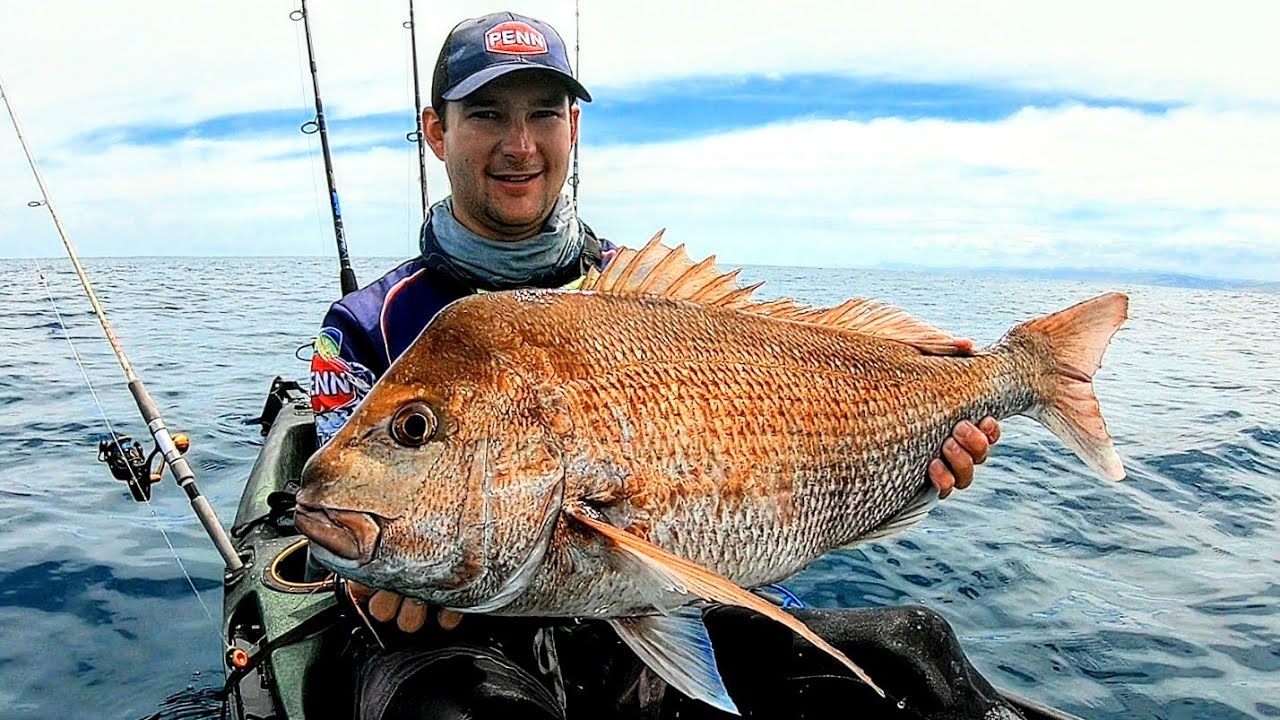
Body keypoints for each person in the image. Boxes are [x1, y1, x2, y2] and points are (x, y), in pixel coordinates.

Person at [307, 11, 1008, 719]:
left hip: (666, 607)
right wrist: (366, 579)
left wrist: (919, 457)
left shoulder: (645, 300)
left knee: (913, 657)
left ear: (572, 129)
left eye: (544, 113)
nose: (519, 144)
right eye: (487, 114)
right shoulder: (365, 327)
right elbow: (333, 503)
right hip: (461, 646)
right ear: (436, 132)